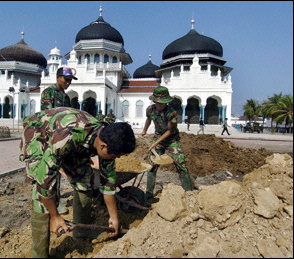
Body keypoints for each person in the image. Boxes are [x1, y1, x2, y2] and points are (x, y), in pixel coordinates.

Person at [19, 107, 136, 258]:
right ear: (103, 147)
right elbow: (44, 182)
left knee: (85, 181)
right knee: (41, 196)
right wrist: (55, 216)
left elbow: (108, 183)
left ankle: (81, 233)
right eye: (116, 155)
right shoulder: (67, 138)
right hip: (38, 133)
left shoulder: (108, 140)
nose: (116, 159)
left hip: (74, 141)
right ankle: (39, 254)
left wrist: (113, 217)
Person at [140, 86, 193, 202]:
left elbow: (169, 131)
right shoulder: (150, 110)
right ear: (155, 101)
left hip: (172, 140)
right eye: (159, 103)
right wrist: (144, 131)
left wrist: (155, 143)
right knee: (152, 164)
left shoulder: (171, 112)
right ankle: (149, 193)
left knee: (181, 162)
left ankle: (189, 193)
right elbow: (149, 119)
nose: (161, 105)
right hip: (158, 137)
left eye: (163, 103)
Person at [40, 66, 78, 215]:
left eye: (70, 81)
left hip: (62, 137)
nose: (68, 83)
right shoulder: (48, 93)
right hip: (51, 136)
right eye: (66, 79)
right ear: (57, 77)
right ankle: (52, 202)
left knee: (58, 168)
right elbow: (48, 116)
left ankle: (56, 197)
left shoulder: (66, 97)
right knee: (51, 170)